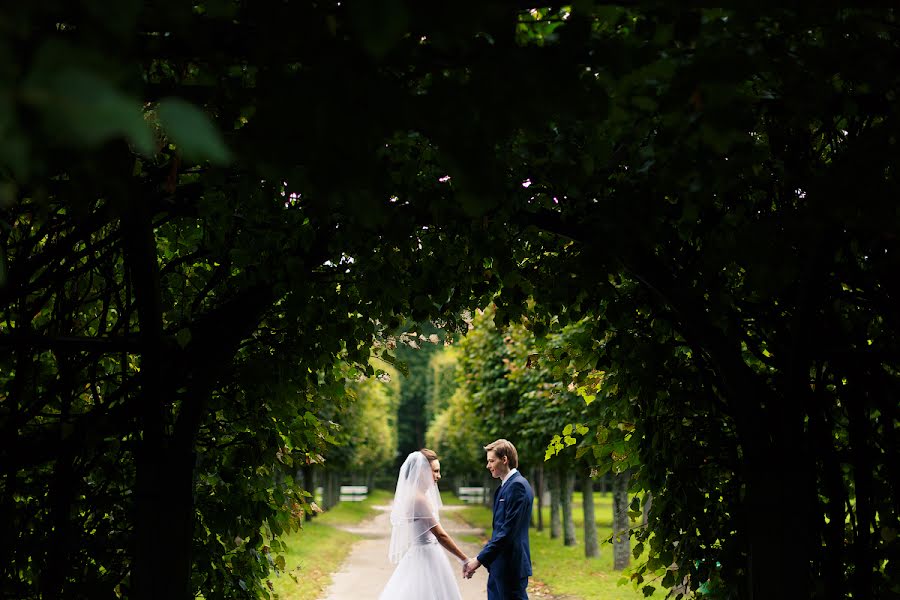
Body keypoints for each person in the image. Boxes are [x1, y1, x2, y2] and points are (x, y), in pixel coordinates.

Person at [378, 449, 469, 600]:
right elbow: (440, 535)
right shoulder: (419, 499)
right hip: (425, 556)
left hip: (423, 553)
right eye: (435, 471)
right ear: (421, 471)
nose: (439, 476)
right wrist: (464, 559)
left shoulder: (415, 495)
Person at [463, 439, 533, 599]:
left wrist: (479, 559)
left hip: (511, 567)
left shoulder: (518, 486)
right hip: (499, 565)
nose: (488, 466)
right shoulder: (505, 486)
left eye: (491, 461)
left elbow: (507, 532)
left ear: (505, 459)